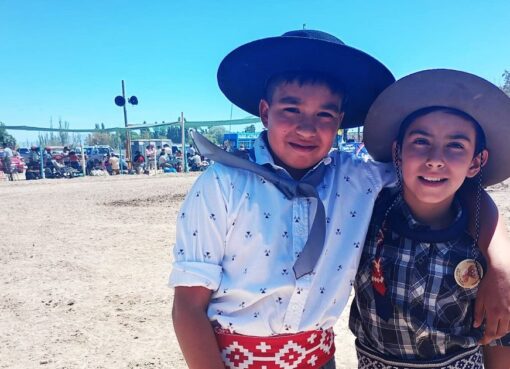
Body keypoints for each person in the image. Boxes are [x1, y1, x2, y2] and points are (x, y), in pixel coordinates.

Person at [169, 31, 510, 369]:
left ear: (340, 122)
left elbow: (448, 180)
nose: (306, 128)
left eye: (324, 115)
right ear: (264, 111)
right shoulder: (222, 184)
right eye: (291, 109)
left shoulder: (357, 178)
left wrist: (500, 263)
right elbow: (188, 306)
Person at [349, 69, 510, 368]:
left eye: (456, 146)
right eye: (421, 141)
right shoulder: (364, 216)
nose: (435, 158)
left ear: (477, 162)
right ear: (397, 152)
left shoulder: (483, 245)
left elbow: (499, 336)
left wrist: (501, 262)